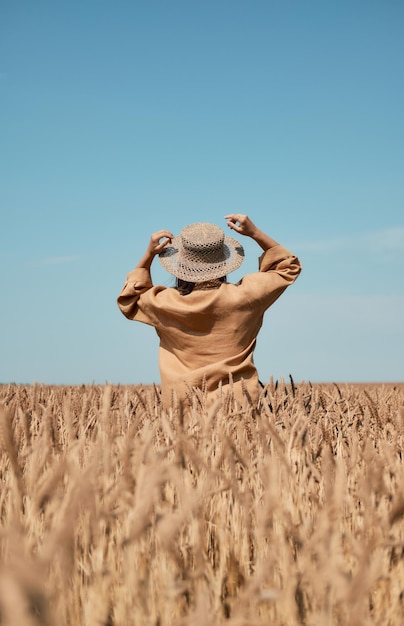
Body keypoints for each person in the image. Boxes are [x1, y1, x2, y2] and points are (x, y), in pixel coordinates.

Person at [117, 214, 301, 410]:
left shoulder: (164, 304)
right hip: (238, 405)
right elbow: (288, 266)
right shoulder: (246, 296)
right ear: (223, 262)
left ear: (181, 264)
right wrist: (255, 233)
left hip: (181, 407)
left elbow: (131, 296)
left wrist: (148, 255)